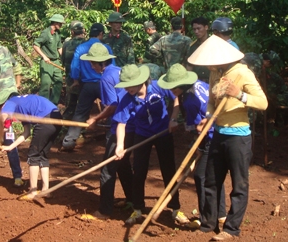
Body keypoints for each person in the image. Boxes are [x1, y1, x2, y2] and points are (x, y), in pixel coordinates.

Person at [187, 34, 268, 241]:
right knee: (211, 181)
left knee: (239, 184)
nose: (209, 67)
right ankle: (208, 223)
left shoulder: (242, 73)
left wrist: (238, 94)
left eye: (211, 63)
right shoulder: (216, 74)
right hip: (219, 133)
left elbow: (262, 103)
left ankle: (231, 229)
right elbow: (212, 102)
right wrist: (208, 118)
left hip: (238, 137)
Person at [113, 64, 190, 226]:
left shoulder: (157, 86)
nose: (128, 89)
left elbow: (175, 99)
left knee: (168, 171)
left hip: (163, 133)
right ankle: (138, 209)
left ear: (141, 80)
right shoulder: (127, 98)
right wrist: (120, 146)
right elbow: (121, 123)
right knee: (139, 172)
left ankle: (175, 209)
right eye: (125, 86)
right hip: (142, 135)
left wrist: (173, 119)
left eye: (130, 85)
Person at [159, 63, 226, 230]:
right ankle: (220, 215)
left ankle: (207, 218)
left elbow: (203, 122)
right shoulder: (200, 86)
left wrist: (200, 144)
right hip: (215, 134)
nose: (171, 91)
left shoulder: (191, 98)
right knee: (213, 175)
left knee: (201, 176)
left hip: (210, 136)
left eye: (173, 87)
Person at [81, 43, 133, 220]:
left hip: (120, 125)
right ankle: (133, 201)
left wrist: (95, 118)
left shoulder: (105, 79)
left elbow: (112, 106)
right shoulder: (118, 70)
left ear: (98, 63)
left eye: (92, 63)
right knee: (123, 165)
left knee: (108, 169)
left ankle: (104, 210)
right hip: (131, 124)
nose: (91, 66)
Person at [0, 94, 62, 200]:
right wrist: (10, 146)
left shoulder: (9, 103)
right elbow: (26, 133)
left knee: (33, 155)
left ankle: (32, 192)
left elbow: (1, 119)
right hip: (56, 116)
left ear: (1, 106)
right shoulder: (23, 108)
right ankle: (46, 190)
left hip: (45, 119)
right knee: (42, 154)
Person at [61, 24, 114, 151]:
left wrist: (75, 80)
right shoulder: (105, 47)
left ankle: (69, 141)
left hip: (87, 85)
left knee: (80, 113)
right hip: (104, 83)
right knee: (111, 109)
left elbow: (75, 66)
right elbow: (112, 66)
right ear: (101, 34)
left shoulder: (81, 47)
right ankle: (111, 140)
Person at [33, 14, 65, 105]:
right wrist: (44, 56)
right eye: (60, 23)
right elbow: (36, 45)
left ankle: (53, 103)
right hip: (47, 62)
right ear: (55, 23)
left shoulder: (58, 34)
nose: (61, 25)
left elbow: (59, 48)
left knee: (59, 81)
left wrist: (64, 59)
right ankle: (43, 105)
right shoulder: (45, 33)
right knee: (46, 84)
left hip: (56, 61)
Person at [61, 21, 86, 120]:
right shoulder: (86, 44)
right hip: (84, 80)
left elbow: (63, 61)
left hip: (70, 79)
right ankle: (81, 126)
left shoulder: (66, 44)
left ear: (72, 32)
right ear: (83, 31)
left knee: (70, 104)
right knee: (83, 105)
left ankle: (66, 124)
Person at [185, 17, 210, 82]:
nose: (196, 32)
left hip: (212, 81)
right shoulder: (192, 47)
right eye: (194, 29)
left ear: (206, 27)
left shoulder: (214, 43)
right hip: (197, 81)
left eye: (199, 28)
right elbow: (189, 66)